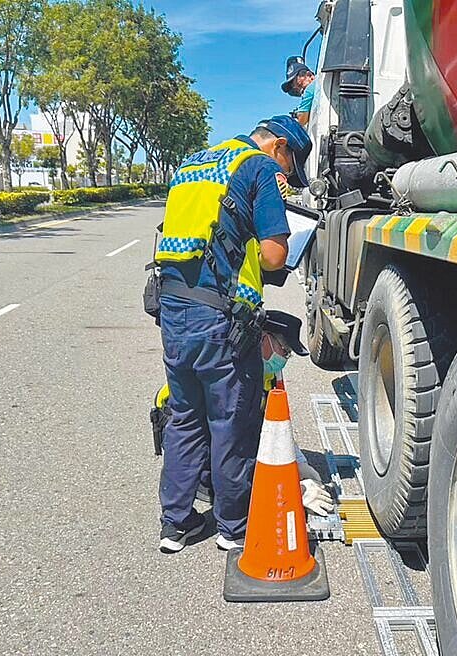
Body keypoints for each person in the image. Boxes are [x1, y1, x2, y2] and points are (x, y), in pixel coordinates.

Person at [154, 115, 312, 555]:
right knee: (230, 422)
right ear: (277, 146)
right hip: (220, 317)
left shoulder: (193, 163)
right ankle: (232, 527)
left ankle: (176, 524)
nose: (285, 175)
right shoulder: (256, 167)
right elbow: (275, 256)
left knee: (185, 415)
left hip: (173, 309)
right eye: (288, 163)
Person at [150, 310, 336, 516]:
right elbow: (232, 441)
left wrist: (299, 465)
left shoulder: (264, 374)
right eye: (285, 350)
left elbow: (273, 426)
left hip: (216, 445)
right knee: (239, 463)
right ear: (265, 339)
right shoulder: (233, 373)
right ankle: (215, 514)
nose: (285, 358)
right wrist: (291, 488)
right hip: (202, 459)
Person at [281, 55, 316, 127]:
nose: (296, 88)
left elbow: (301, 122)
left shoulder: (309, 89)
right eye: (293, 86)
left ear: (310, 75)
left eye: (299, 84)